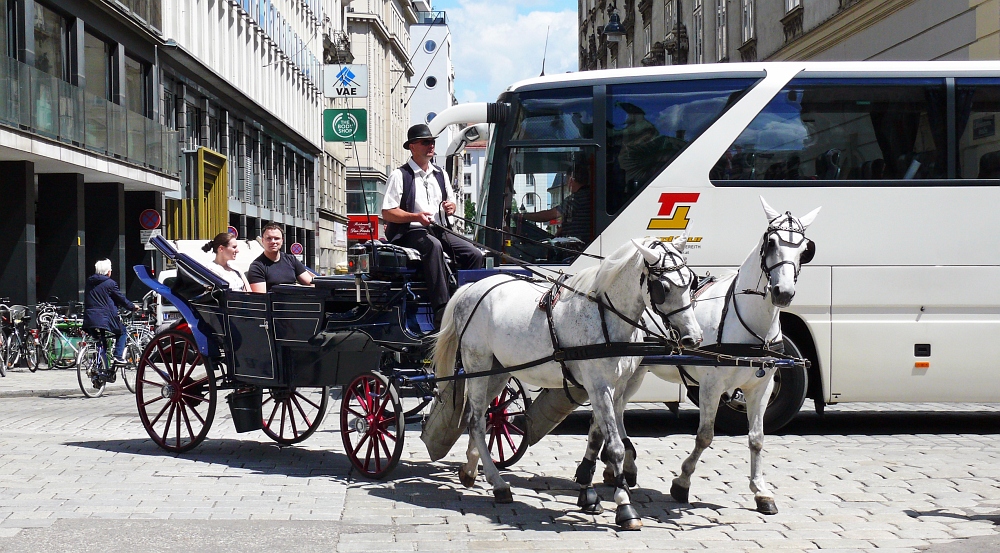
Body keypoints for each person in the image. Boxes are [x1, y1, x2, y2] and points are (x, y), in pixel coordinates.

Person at [382, 123, 484, 326]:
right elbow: (388, 212)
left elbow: (452, 202)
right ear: (412, 146)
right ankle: (442, 308)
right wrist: (415, 216)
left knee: (475, 254)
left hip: (438, 229)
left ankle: (469, 303)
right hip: (409, 232)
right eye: (425, 142)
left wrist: (451, 207)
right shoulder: (400, 175)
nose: (431, 145)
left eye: (432, 142)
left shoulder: (440, 174)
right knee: (433, 247)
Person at [518, 164, 593, 244]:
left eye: (567, 179)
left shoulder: (575, 199)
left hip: (578, 246)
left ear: (571, 180)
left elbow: (550, 215)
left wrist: (523, 216)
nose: (567, 184)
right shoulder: (588, 195)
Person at [83, 259, 137, 365]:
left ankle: (101, 370)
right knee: (122, 332)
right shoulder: (110, 283)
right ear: (108, 272)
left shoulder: (89, 282)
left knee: (101, 341)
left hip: (89, 319)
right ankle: (117, 356)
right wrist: (132, 307)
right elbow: (120, 298)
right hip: (105, 318)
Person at [247, 224, 314, 292]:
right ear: (262, 241)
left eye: (277, 238)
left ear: (282, 241)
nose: (273, 241)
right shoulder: (257, 267)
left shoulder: (291, 260)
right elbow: (261, 298)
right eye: (269, 238)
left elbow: (311, 284)